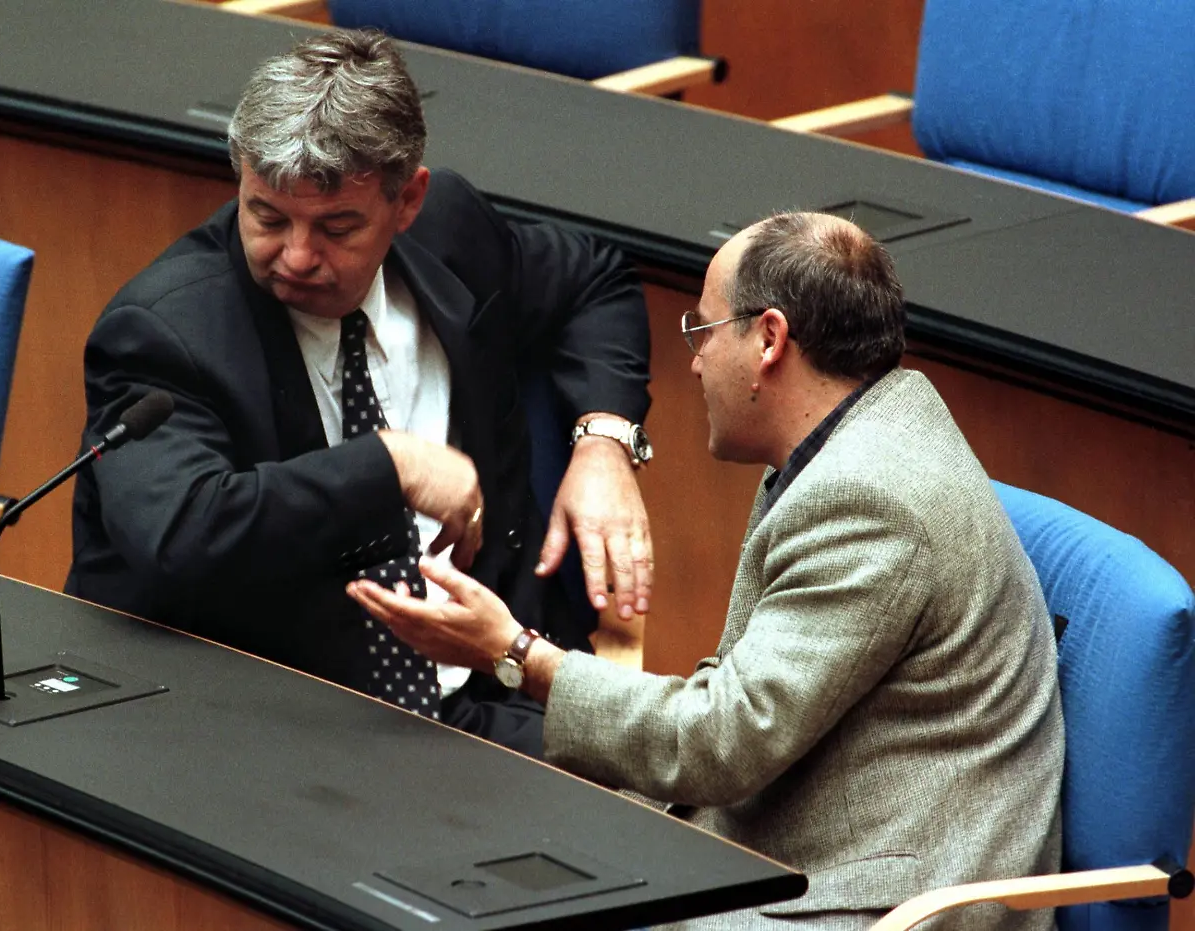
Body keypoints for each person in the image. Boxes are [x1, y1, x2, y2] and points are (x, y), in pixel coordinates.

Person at [350, 212, 1065, 929]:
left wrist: (516, 653)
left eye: (703, 331)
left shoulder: (865, 501)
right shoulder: (855, 437)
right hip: (828, 820)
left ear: (770, 339)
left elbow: (725, 742)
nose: (693, 362)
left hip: (893, 894)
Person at [65, 29, 655, 757]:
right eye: (267, 217)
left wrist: (604, 443)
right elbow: (182, 533)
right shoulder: (163, 329)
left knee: (685, 799)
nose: (296, 256)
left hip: (490, 692)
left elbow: (595, 279)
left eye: (337, 226)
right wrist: (390, 464)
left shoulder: (450, 233)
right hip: (280, 732)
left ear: (408, 200)